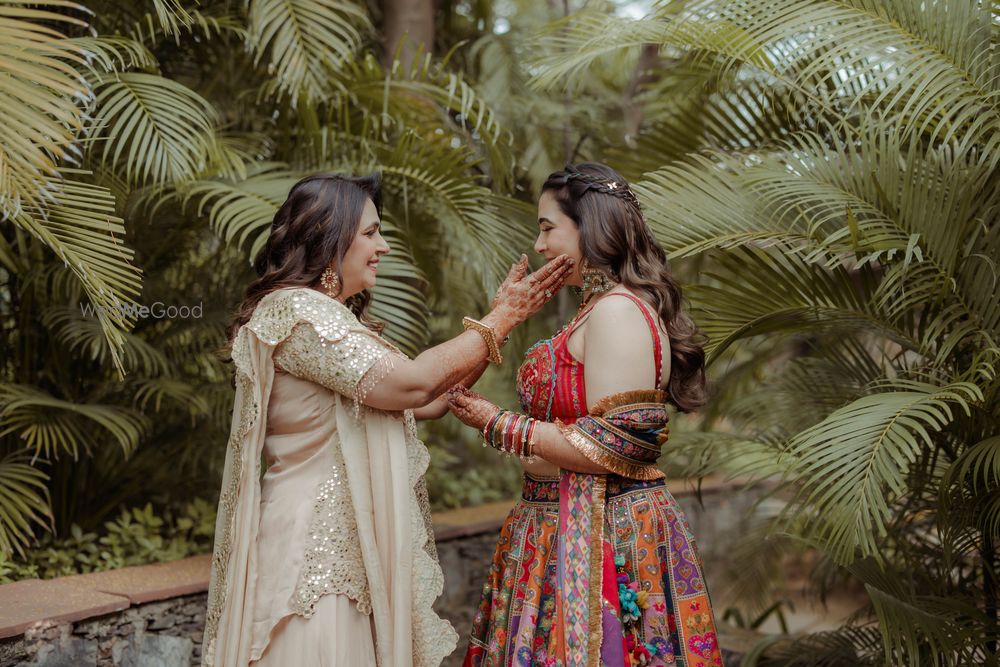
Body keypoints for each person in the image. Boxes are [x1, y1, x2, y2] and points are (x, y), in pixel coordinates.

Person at [202, 172, 573, 667]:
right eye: (371, 233)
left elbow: (428, 398)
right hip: (311, 557)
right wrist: (500, 319)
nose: (384, 247)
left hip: (347, 551)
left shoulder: (333, 319)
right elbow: (413, 385)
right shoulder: (297, 312)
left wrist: (498, 323)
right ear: (329, 237)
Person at [447, 163, 723, 667]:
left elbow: (612, 446)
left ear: (590, 226)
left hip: (602, 537)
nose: (539, 245)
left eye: (548, 227)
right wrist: (500, 317)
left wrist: (497, 423)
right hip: (557, 526)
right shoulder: (598, 310)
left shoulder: (619, 310)